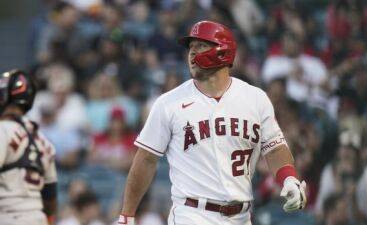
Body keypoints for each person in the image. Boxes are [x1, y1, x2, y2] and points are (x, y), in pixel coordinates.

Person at [118, 20, 307, 225]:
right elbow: (145, 159)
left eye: (201, 46)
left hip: (241, 216)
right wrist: (127, 216)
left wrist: (289, 178)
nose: (192, 53)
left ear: (222, 51)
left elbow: (274, 148)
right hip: (192, 213)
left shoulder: (255, 99)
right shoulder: (168, 103)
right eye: (191, 47)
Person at [0, 69, 57, 225]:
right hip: (37, 218)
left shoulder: (3, 130)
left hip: (7, 217)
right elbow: (50, 195)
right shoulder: (44, 141)